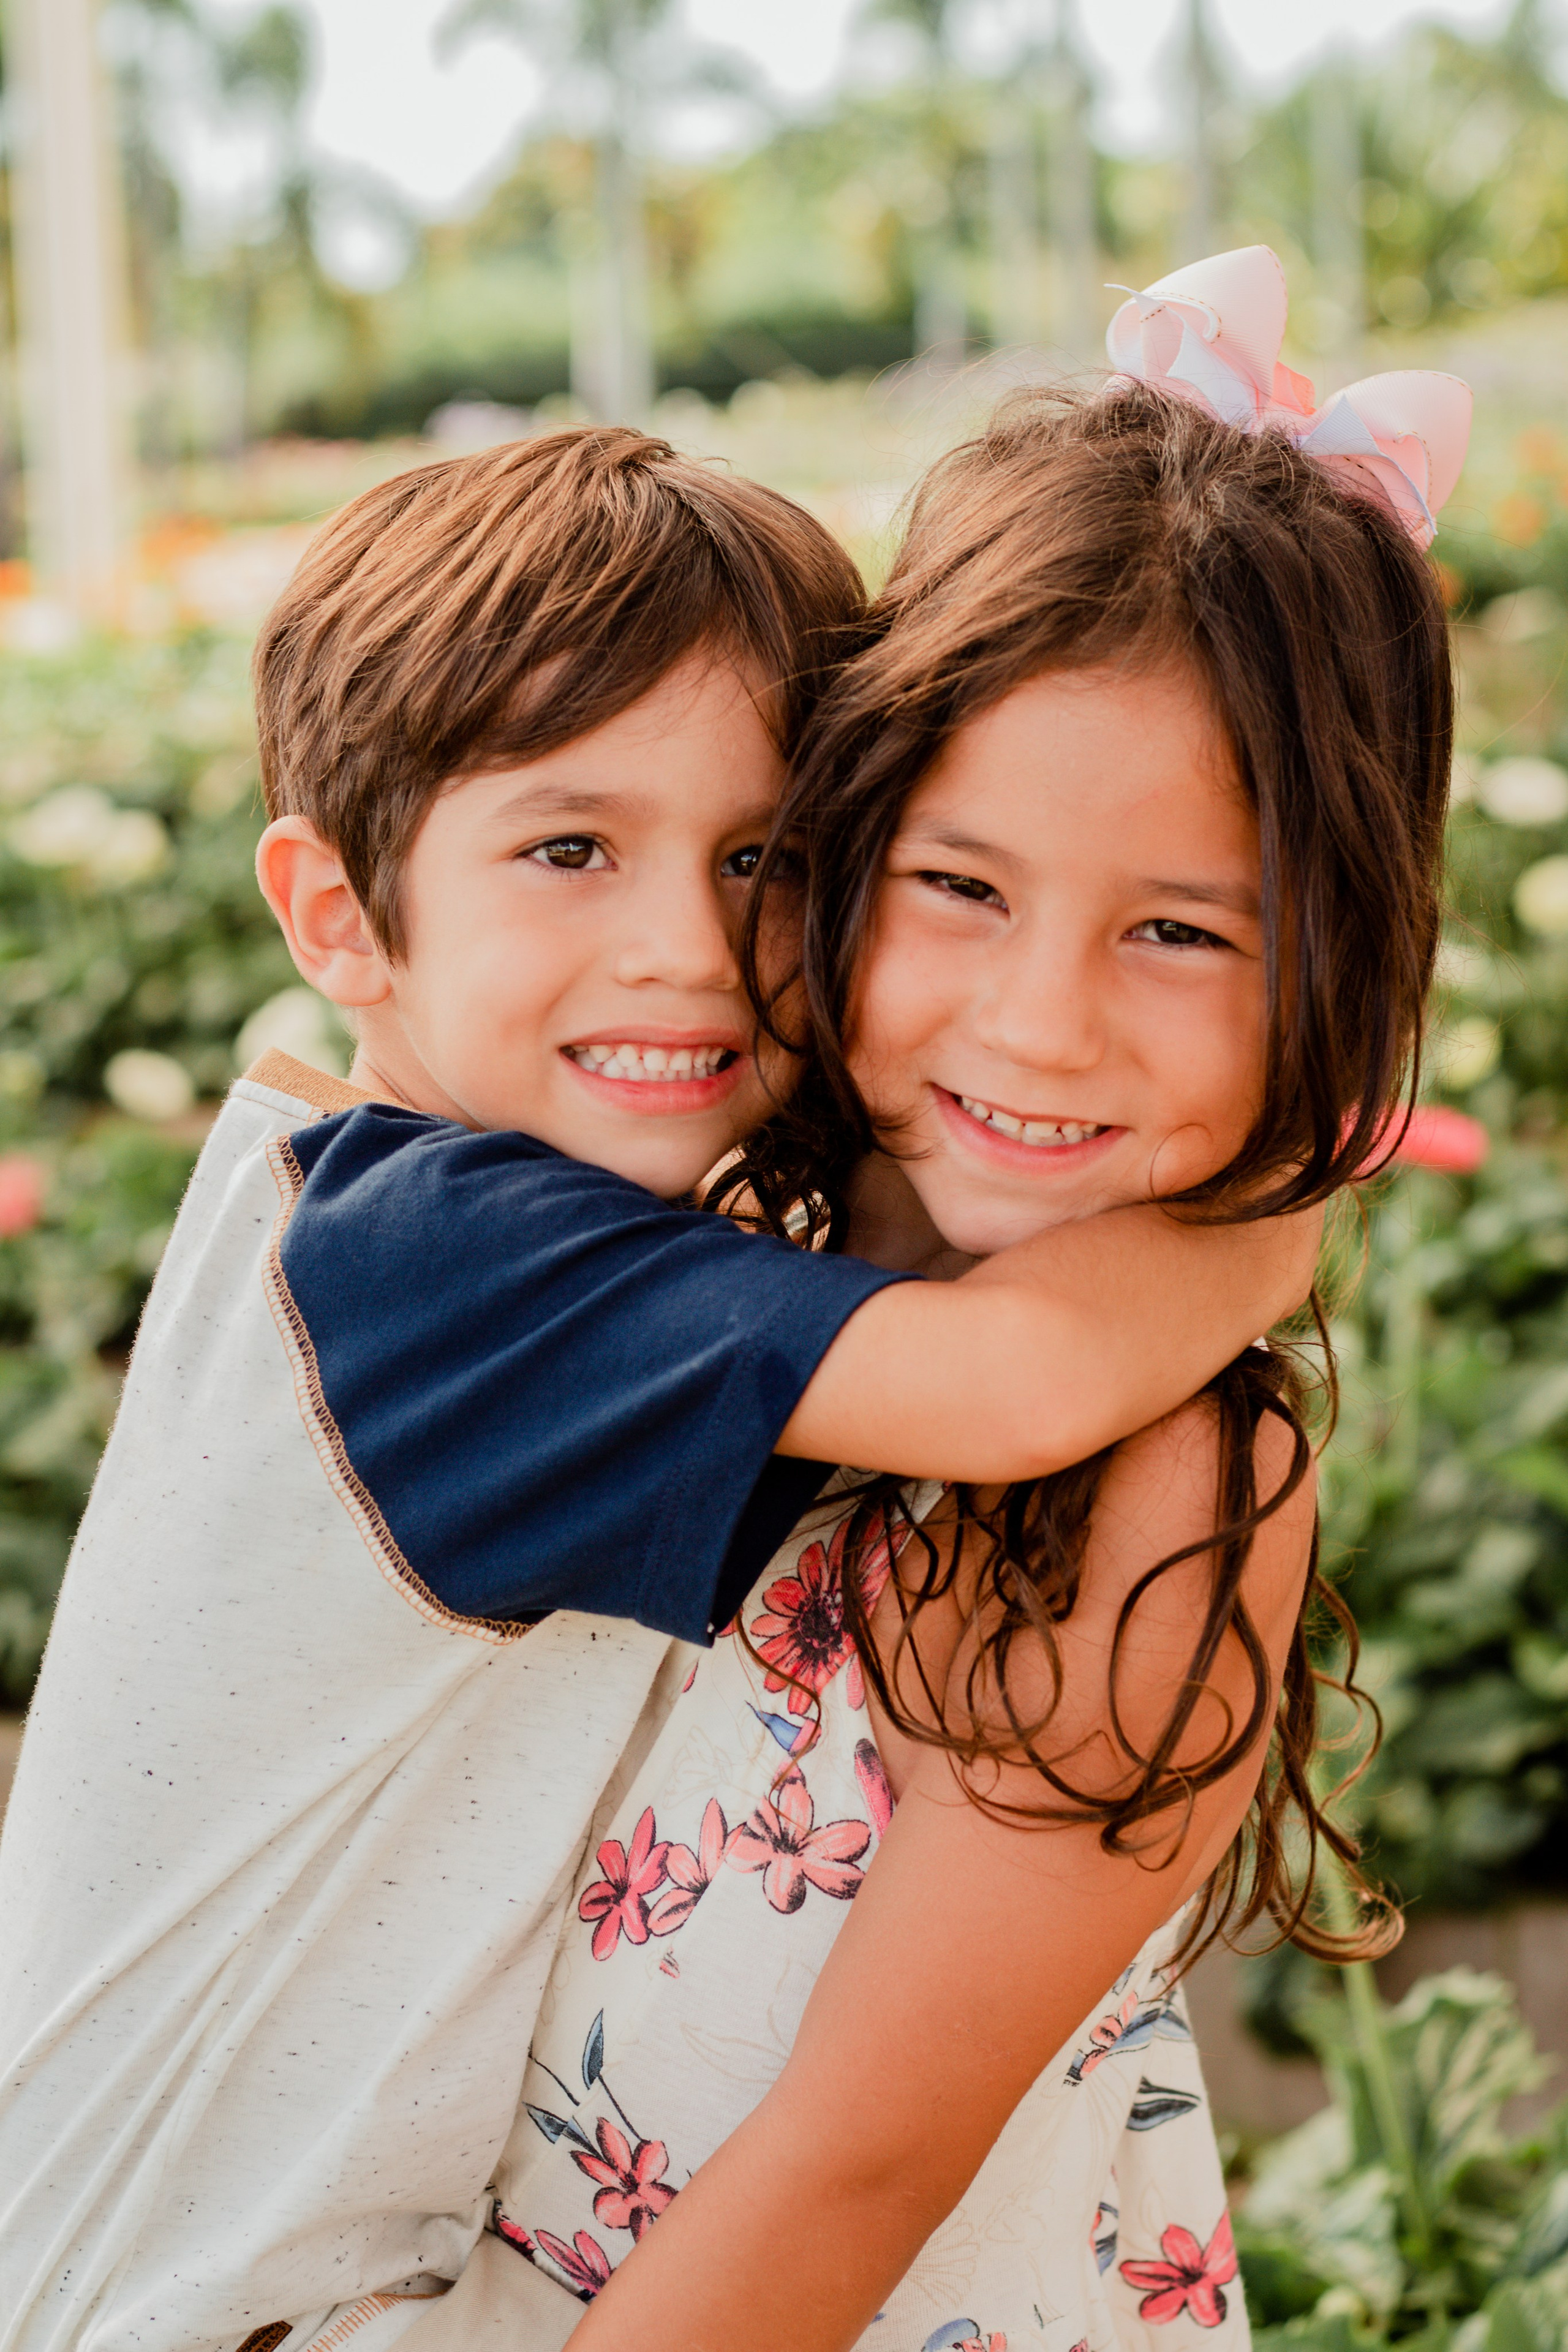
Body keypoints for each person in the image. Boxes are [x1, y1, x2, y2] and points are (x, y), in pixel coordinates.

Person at [0, 426, 1314, 2352]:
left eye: (768, 861)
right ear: (338, 913)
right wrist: (1293, 1195)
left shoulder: (415, 1220)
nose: (691, 954)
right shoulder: (437, 1259)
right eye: (569, 848)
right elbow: (1020, 1379)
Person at [405, 250, 1471, 2352]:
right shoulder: (688, 1237)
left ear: (1335, 969)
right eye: (963, 888)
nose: (1042, 1026)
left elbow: (848, 2174)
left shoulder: (1169, 1474)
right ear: (837, 843)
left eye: (1182, 931)